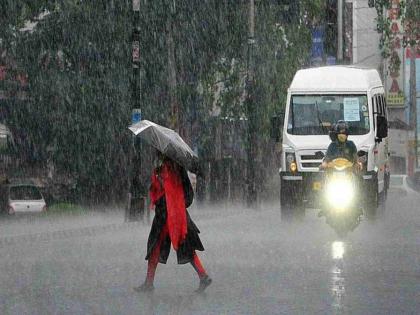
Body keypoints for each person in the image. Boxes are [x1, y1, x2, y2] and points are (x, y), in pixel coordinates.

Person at [134, 151, 212, 293]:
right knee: (184, 246)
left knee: (155, 246)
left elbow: (164, 191)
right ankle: (203, 275)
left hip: (167, 215)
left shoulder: (168, 169)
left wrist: (159, 178)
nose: (156, 154)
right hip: (178, 214)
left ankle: (149, 282)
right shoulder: (175, 168)